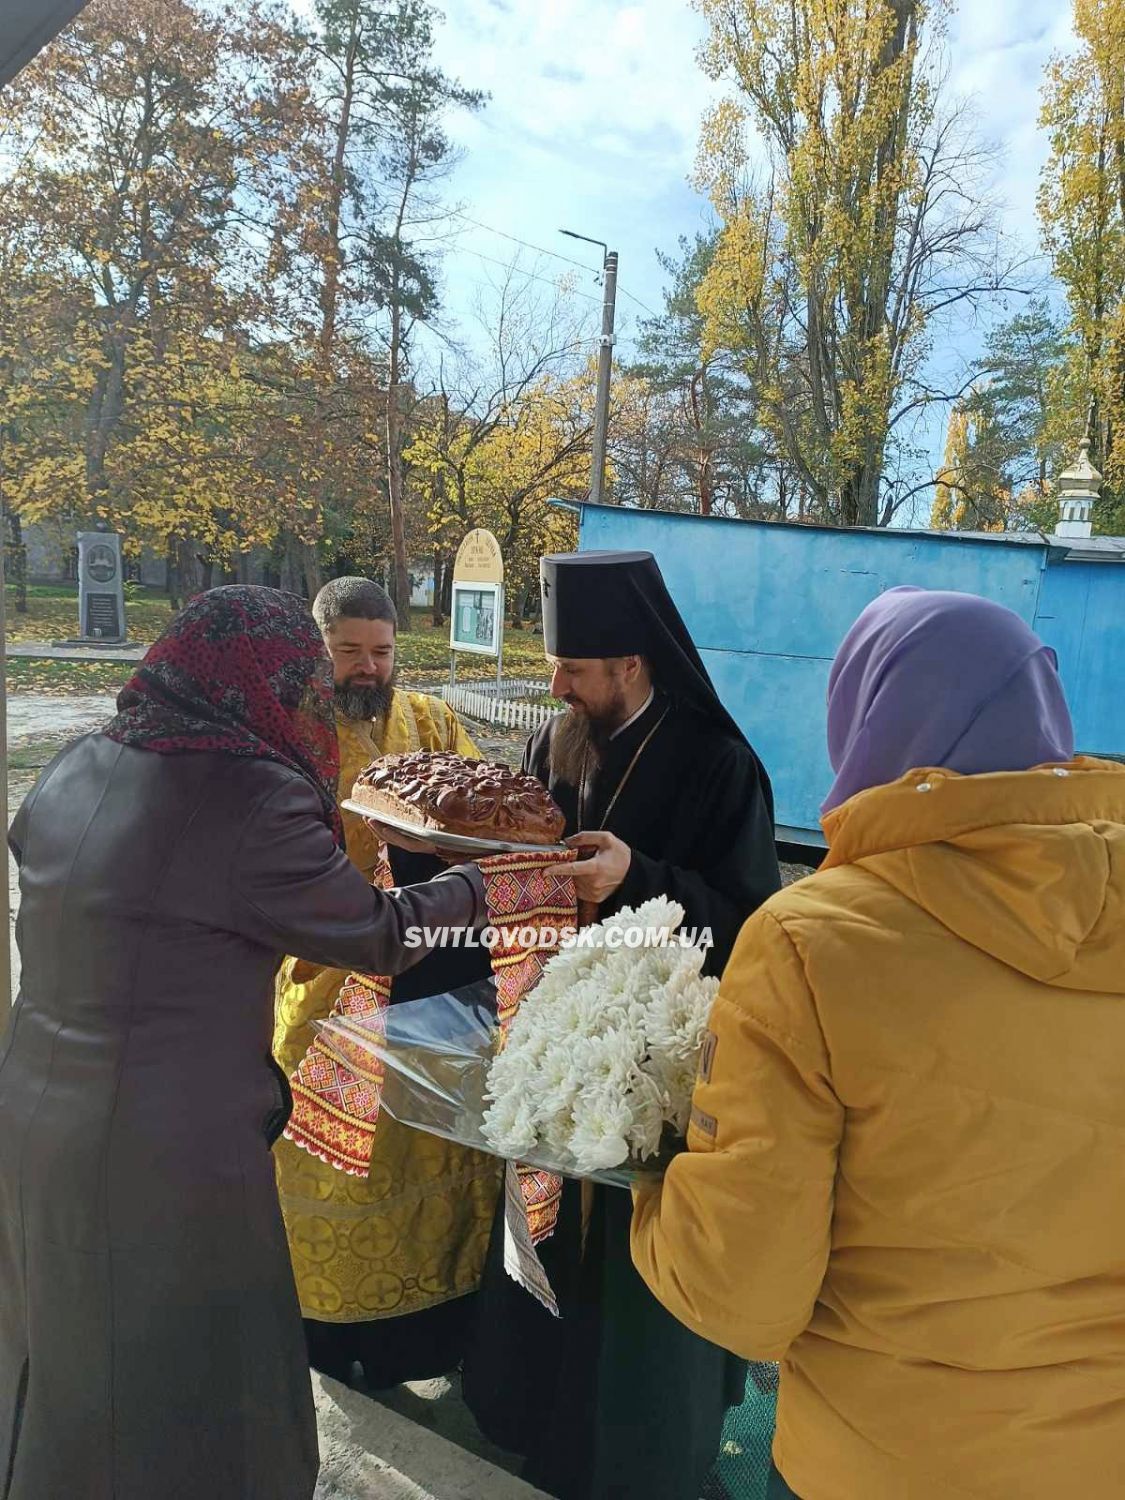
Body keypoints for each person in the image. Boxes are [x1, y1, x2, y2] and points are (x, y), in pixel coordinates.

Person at [631, 586, 1125, 1500]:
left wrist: (653, 1193)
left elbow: (743, 1294)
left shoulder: (812, 942)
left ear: (864, 719)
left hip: (884, 1459)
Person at [0, 586, 487, 1500]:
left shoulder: (75, 762)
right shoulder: (249, 794)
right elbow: (375, 932)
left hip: (32, 1118)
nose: (312, 706)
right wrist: (478, 883)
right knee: (194, 1375)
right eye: (303, 684)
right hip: (163, 1153)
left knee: (63, 1354)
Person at [462, 549, 781, 1500]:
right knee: (537, 1244)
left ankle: (631, 1452)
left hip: (650, 1073)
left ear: (631, 666)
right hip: (548, 1051)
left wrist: (635, 876)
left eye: (573, 670)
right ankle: (526, 1416)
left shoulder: (720, 765)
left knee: (627, 1290)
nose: (553, 684)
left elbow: (751, 924)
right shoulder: (549, 746)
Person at [273, 576, 502, 1389]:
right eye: (349, 653)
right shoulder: (289, 735)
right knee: (328, 1158)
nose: (367, 670)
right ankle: (328, 1342)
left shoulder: (433, 720)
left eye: (381, 653)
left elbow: (484, 812)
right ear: (319, 650)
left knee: (429, 1157)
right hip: (328, 984)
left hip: (427, 973)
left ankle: (424, 1342)